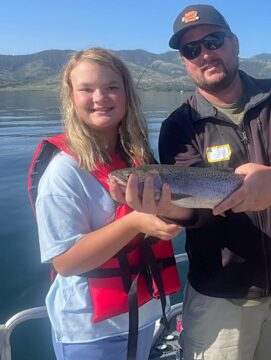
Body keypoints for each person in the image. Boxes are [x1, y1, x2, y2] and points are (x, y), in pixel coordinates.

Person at [109, 4, 271, 359]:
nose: (204, 53)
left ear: (235, 43)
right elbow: (196, 212)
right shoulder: (179, 127)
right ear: (184, 61)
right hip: (220, 299)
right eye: (191, 49)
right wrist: (170, 210)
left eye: (213, 41)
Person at [28, 48, 183, 360]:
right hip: (91, 333)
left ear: (127, 94)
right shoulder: (63, 173)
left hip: (143, 317)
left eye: (112, 87)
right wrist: (135, 223)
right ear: (71, 97)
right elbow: (65, 263)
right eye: (87, 89)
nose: (100, 97)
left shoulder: (137, 160)